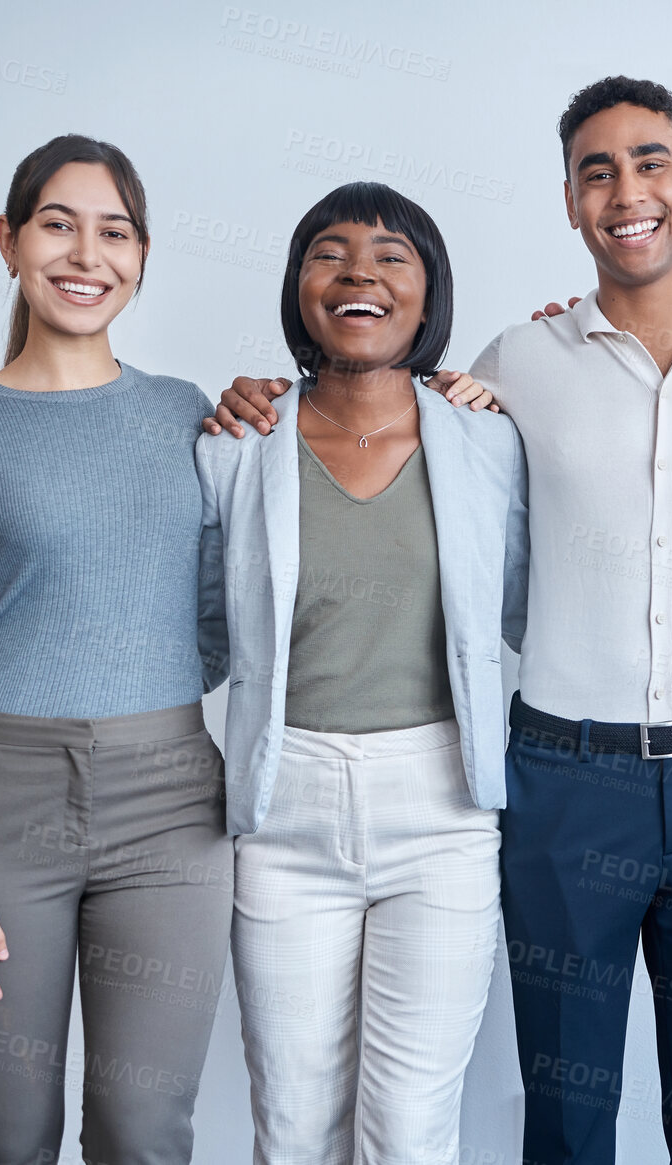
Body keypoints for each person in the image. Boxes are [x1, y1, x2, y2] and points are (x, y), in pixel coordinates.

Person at [210, 76, 672, 1165]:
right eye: (597, 171)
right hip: (565, 783)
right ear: (572, 204)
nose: (627, 190)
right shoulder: (509, 370)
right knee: (567, 1112)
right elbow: (427, 472)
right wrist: (261, 395)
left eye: (651, 161)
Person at [0, 134, 235, 1164]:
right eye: (58, 224)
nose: (87, 254)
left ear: (144, 253)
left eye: (114, 231)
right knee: (3, 1139)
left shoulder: (187, 416)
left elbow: (206, 635)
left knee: (143, 1132)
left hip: (172, 808)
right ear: (10, 240)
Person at [193, 180, 527, 1164]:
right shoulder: (239, 445)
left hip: (442, 814)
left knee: (411, 1127)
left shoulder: (488, 439)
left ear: (429, 297)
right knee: (292, 1125)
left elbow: (544, 601)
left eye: (392, 256)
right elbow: (194, 637)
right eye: (329, 253)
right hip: (284, 804)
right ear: (301, 289)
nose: (359, 274)